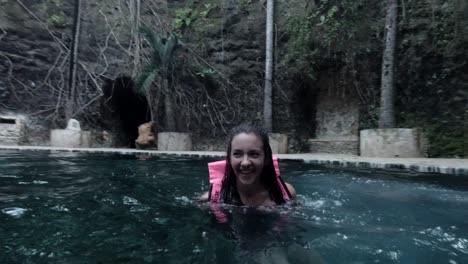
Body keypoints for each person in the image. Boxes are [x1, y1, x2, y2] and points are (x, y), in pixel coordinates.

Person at [201, 122, 296, 206]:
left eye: (254, 154)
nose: (245, 162)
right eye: (237, 154)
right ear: (229, 159)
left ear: (266, 158)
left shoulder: (286, 194)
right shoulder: (210, 200)